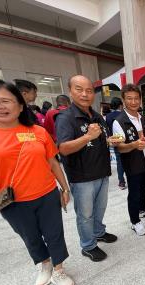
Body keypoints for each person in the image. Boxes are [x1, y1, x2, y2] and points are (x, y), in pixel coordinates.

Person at [0, 79, 74, 285]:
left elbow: (52, 162)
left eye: (6, 100)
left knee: (54, 233)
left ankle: (59, 269)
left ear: (20, 105)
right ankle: (44, 263)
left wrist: (65, 188)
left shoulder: (37, 131)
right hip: (12, 201)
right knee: (29, 236)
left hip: (47, 194)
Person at [56, 75, 118, 262]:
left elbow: (98, 140)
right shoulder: (66, 118)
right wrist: (87, 137)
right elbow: (63, 149)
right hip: (82, 177)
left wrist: (108, 140)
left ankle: (99, 232)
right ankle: (88, 245)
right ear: (70, 91)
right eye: (79, 89)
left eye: (89, 90)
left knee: (100, 209)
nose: (84, 94)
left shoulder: (97, 116)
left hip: (101, 171)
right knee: (85, 215)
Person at [113, 84, 145, 236]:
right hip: (132, 164)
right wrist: (133, 144)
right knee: (134, 193)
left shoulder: (142, 117)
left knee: (143, 188)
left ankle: (142, 209)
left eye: (136, 98)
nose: (133, 102)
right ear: (123, 100)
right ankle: (134, 221)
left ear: (140, 100)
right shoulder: (119, 121)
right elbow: (119, 147)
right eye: (129, 99)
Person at [106, 97, 127, 190]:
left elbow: (107, 130)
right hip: (125, 142)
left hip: (115, 142)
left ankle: (121, 182)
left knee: (119, 162)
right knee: (129, 161)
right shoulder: (124, 114)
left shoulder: (108, 116)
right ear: (120, 105)